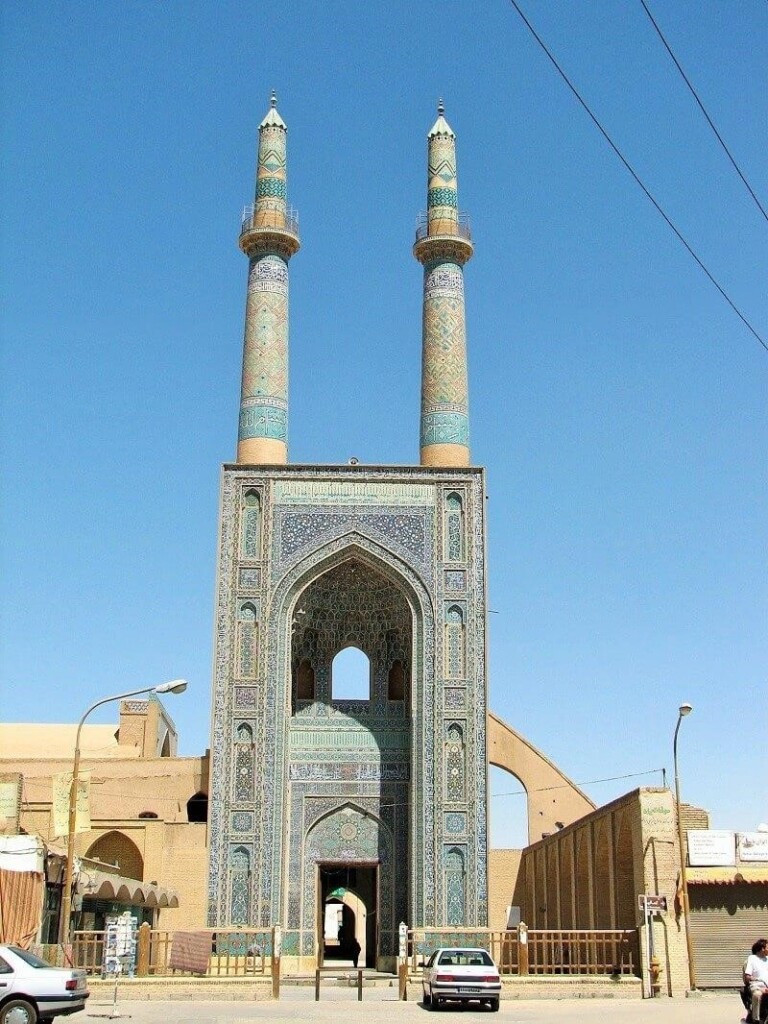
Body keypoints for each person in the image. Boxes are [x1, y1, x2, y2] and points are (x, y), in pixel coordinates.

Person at [744, 938, 768, 1024]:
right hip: (757, 985)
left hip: (767, 986)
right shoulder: (752, 958)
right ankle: (756, 1020)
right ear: (762, 948)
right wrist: (756, 979)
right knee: (757, 995)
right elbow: (747, 977)